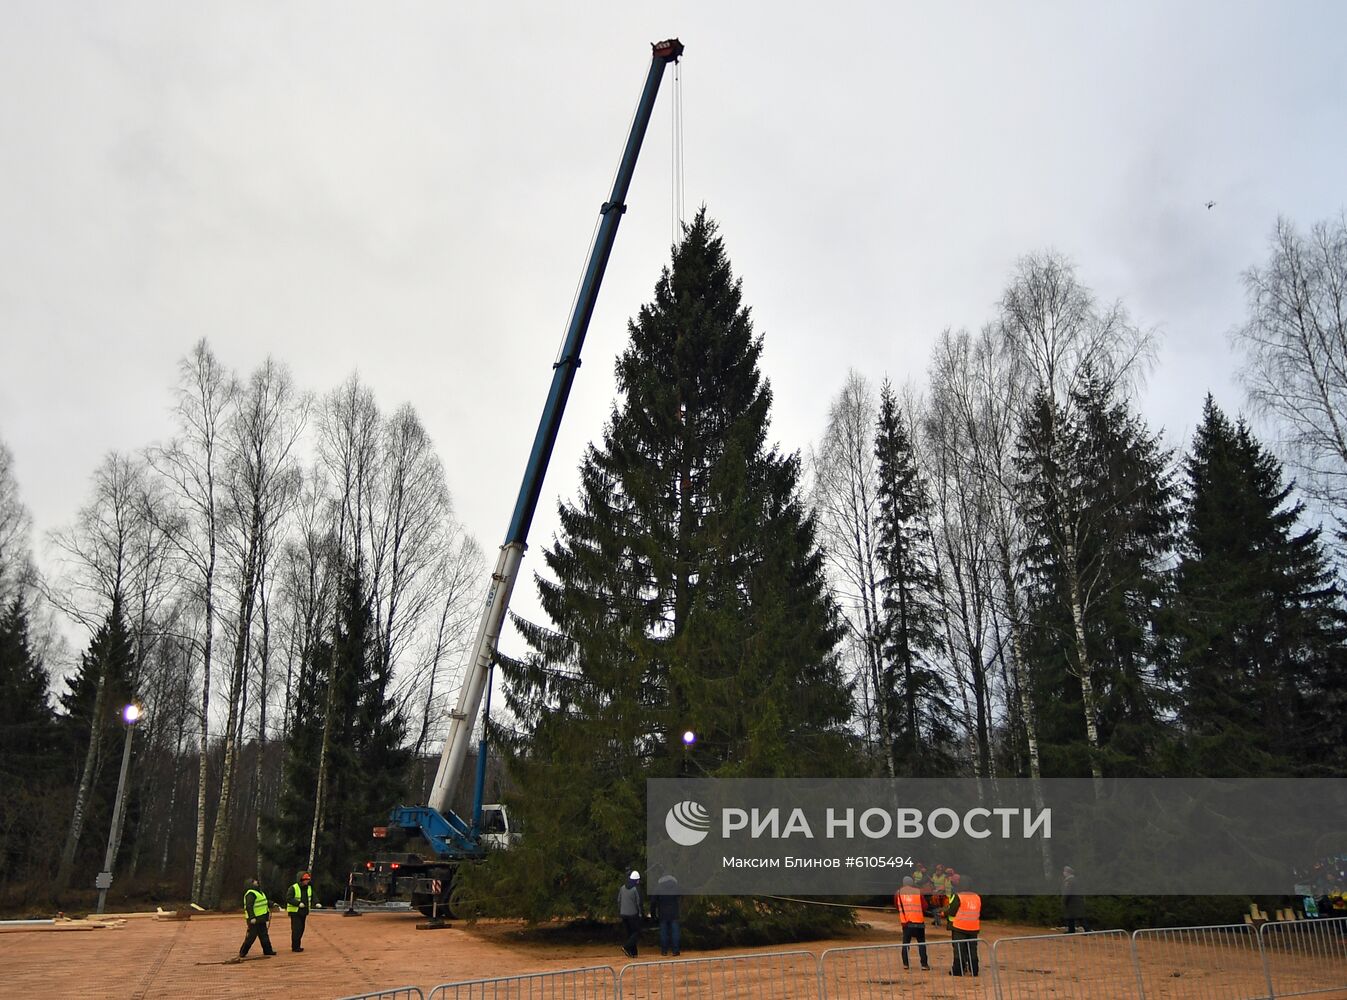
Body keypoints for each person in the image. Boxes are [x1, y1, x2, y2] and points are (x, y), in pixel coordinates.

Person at [945, 874, 981, 978]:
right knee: (972, 950)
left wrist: (944, 913)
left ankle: (958, 970)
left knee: (959, 950)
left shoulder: (958, 896)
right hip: (973, 928)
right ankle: (974, 970)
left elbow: (952, 911)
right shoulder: (977, 897)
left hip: (960, 927)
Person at [894, 875, 929, 971]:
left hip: (906, 922)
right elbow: (925, 906)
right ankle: (924, 964)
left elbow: (897, 906)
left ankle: (906, 964)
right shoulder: (918, 892)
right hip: (919, 921)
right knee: (921, 943)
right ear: (912, 883)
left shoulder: (898, 893)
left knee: (906, 943)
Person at [239, 877, 277, 959]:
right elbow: (249, 906)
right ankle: (243, 952)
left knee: (264, 935)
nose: (256, 882)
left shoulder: (259, 892)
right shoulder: (250, 894)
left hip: (262, 918)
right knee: (251, 937)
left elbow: (264, 901)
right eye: (254, 881)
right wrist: (252, 917)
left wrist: (272, 904)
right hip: (254, 919)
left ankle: (268, 950)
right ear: (250, 884)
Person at [651, 871, 682, 956]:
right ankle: (676, 950)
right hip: (674, 913)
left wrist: (653, 915)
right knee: (675, 932)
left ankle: (664, 951)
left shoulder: (658, 887)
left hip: (663, 913)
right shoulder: (676, 887)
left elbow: (653, 902)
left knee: (663, 933)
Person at [618, 869, 643, 957]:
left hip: (623, 914)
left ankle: (634, 953)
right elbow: (639, 902)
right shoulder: (635, 889)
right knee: (636, 933)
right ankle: (626, 947)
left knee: (630, 934)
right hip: (632, 915)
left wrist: (621, 911)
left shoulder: (622, 888)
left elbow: (619, 900)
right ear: (636, 880)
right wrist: (640, 914)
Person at [287, 870, 314, 952]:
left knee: (301, 929)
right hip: (295, 912)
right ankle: (295, 947)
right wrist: (298, 903)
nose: (307, 881)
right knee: (296, 930)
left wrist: (317, 902)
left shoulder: (309, 888)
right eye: (305, 880)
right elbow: (289, 898)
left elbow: (313, 896)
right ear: (300, 880)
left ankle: (297, 945)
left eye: (308, 880)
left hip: (304, 912)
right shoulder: (293, 888)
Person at [1062, 865, 1089, 933]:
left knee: (1075, 916)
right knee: (1075, 916)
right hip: (1078, 900)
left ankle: (1086, 930)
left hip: (1072, 902)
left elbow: (1067, 892)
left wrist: (1064, 901)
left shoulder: (1069, 881)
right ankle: (1072, 930)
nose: (1063, 873)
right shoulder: (1076, 879)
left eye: (1064, 871)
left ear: (1068, 873)